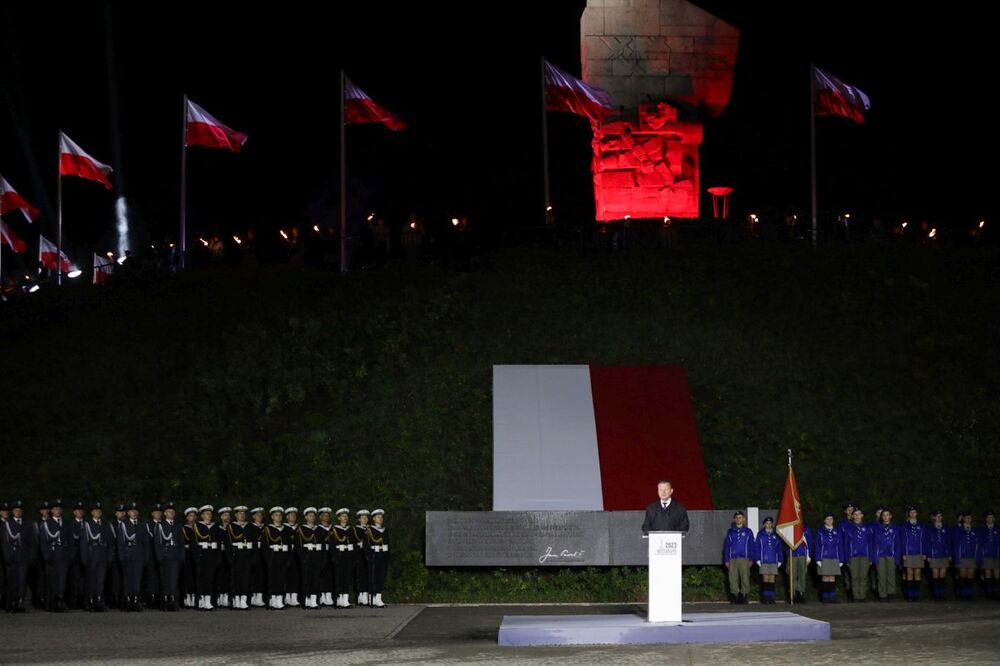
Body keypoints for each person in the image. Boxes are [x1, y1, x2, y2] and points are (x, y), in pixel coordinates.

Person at [2, 500, 35, 612]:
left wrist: (30, 557)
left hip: (23, 557)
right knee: (11, 581)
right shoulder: (7, 524)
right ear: (13, 512)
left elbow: (31, 542)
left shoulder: (28, 524)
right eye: (16, 510)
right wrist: (7, 556)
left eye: (20, 510)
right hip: (11, 557)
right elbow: (5, 543)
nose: (18, 512)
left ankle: (19, 603)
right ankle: (10, 603)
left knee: (22, 581)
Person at [39, 499, 72, 611]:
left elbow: (71, 542)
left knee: (62, 581)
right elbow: (43, 542)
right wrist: (47, 556)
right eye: (55, 509)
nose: (58, 510)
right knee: (51, 581)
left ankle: (60, 602)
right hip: (52, 556)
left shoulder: (66, 524)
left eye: (59, 508)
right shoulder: (47, 524)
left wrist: (69, 556)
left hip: (63, 557)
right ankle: (51, 604)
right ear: (51, 511)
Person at [80, 502, 114, 612]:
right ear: (91, 513)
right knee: (91, 581)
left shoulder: (106, 524)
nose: (98, 512)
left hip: (103, 556)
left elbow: (110, 543)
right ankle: (90, 602)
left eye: (99, 510)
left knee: (100, 581)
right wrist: (84, 558)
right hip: (92, 556)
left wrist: (110, 557)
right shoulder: (87, 524)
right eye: (95, 510)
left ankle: (99, 601)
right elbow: (84, 543)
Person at [116, 502, 150, 612]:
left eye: (136, 511)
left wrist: (146, 557)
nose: (134, 513)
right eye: (132, 511)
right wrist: (121, 557)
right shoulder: (123, 525)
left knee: (137, 580)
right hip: (128, 556)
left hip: (139, 556)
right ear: (128, 513)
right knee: (127, 580)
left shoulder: (142, 524)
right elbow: (120, 543)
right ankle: (127, 601)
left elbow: (146, 543)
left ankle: (135, 601)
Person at [153, 503, 184, 612]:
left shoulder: (178, 526)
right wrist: (159, 557)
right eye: (169, 511)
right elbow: (157, 543)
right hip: (165, 556)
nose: (171, 513)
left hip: (175, 556)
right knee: (165, 580)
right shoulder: (160, 525)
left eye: (173, 511)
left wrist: (181, 557)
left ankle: (173, 602)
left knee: (174, 580)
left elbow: (181, 543)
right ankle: (165, 602)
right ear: (165, 513)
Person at [192, 505, 223, 610]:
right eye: (206, 513)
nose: (208, 515)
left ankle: (208, 600)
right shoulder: (197, 526)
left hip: (212, 555)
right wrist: (196, 557)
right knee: (201, 579)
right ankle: (200, 601)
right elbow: (194, 544)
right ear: (202, 515)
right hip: (202, 555)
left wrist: (218, 557)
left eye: (210, 513)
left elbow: (218, 543)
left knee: (210, 579)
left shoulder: (215, 526)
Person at [842, 507, 875, 602]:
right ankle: (856, 596)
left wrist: (871, 557)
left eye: (859, 514)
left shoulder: (867, 528)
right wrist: (846, 558)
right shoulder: (848, 528)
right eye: (855, 514)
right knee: (854, 576)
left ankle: (862, 596)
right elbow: (846, 544)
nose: (857, 516)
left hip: (865, 555)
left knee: (863, 576)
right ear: (852, 516)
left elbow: (871, 543)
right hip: (853, 556)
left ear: (862, 515)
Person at [225, 505, 254, 610]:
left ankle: (244, 600)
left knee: (246, 579)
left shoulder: (250, 526)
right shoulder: (231, 526)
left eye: (243, 513)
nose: (242, 515)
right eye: (240, 513)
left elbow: (254, 543)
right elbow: (228, 544)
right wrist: (229, 558)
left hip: (247, 555)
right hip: (236, 555)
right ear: (236, 515)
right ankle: (236, 600)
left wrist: (253, 557)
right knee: (235, 579)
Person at [812, 512, 844, 603]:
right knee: (825, 577)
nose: (830, 521)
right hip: (824, 557)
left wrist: (841, 559)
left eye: (831, 519)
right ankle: (825, 597)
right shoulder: (820, 532)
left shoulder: (837, 531)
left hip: (834, 557)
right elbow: (817, 546)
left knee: (832, 577)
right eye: (828, 519)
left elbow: (840, 546)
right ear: (824, 521)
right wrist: (818, 559)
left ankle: (832, 597)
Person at [723, 511, 753, 604]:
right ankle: (735, 596)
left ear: (743, 519)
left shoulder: (748, 531)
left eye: (740, 517)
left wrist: (752, 558)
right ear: (734, 519)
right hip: (733, 559)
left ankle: (744, 596)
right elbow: (727, 546)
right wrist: (727, 559)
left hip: (744, 558)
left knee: (745, 578)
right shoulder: (730, 531)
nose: (738, 519)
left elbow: (752, 545)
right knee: (733, 578)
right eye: (736, 517)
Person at [296, 507, 324, 609]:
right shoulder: (301, 529)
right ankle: (305, 601)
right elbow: (298, 546)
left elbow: (323, 546)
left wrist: (322, 559)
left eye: (313, 515)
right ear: (306, 517)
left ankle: (313, 601)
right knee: (306, 580)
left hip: (316, 558)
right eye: (310, 515)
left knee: (315, 580)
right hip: (306, 558)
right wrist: (303, 558)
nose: (312, 517)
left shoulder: (319, 529)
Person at [263, 507, 290, 609]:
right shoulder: (267, 529)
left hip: (283, 556)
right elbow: (265, 546)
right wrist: (268, 559)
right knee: (272, 579)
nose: (278, 517)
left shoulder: (286, 529)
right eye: (276, 515)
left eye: (280, 515)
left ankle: (279, 600)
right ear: (272, 517)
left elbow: (289, 546)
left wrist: (288, 559)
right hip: (273, 557)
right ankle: (272, 600)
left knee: (281, 579)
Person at [872, 508, 901, 602]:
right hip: (880, 554)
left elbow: (898, 543)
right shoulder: (877, 528)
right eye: (883, 515)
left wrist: (897, 557)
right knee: (881, 575)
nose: (885, 517)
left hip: (891, 554)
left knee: (891, 575)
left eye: (887, 514)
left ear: (890, 516)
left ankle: (891, 593)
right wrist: (874, 557)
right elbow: (874, 543)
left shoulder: (896, 528)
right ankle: (882, 595)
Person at [923, 509, 952, 600]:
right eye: (937, 516)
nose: (939, 517)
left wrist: (950, 554)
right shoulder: (929, 528)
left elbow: (949, 542)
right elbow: (926, 542)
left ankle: (942, 594)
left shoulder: (946, 528)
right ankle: (936, 594)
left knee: (942, 574)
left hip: (944, 554)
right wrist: (927, 554)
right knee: (935, 574)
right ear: (934, 517)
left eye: (940, 516)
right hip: (933, 554)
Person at [899, 506, 926, 601]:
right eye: (911, 512)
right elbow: (902, 540)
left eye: (914, 512)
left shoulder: (921, 525)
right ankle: (910, 595)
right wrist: (903, 553)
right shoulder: (904, 526)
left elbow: (924, 540)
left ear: (916, 513)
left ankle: (916, 595)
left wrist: (924, 552)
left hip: (919, 551)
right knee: (909, 573)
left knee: (917, 572)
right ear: (909, 514)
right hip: (908, 552)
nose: (913, 514)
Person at [754, 516, 782, 604]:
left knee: (772, 578)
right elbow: (757, 547)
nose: (769, 525)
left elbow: (779, 548)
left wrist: (780, 559)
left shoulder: (776, 534)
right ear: (764, 524)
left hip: (773, 560)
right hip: (764, 560)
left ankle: (771, 597)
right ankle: (765, 597)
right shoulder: (760, 534)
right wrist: (758, 559)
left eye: (770, 524)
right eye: (767, 523)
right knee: (765, 577)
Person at [330, 508, 354, 607]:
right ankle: (338, 600)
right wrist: (334, 557)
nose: (345, 518)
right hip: (339, 556)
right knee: (338, 578)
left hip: (347, 556)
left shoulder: (350, 529)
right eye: (343, 516)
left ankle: (345, 600)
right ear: (339, 518)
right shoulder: (334, 529)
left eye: (346, 516)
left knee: (346, 578)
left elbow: (353, 543)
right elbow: (331, 545)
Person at [953, 511, 979, 600]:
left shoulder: (974, 530)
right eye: (967, 518)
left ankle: (969, 594)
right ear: (963, 519)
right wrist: (958, 524)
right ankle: (962, 594)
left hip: (972, 556)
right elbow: (955, 542)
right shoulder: (959, 530)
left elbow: (978, 544)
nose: (969, 519)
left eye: (970, 518)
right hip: (962, 556)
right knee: (963, 576)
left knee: (970, 576)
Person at [367, 509, 390, 608]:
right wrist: (370, 556)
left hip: (383, 555)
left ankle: (379, 597)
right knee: (373, 577)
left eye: (381, 517)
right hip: (374, 555)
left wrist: (388, 556)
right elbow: (366, 545)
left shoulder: (385, 530)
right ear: (374, 519)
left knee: (381, 577)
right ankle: (372, 596)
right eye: (378, 517)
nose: (380, 519)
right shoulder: (369, 530)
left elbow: (388, 544)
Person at [143, 502, 164, 609]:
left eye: (160, 512)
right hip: (151, 555)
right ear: (152, 514)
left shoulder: (165, 524)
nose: (158, 514)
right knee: (151, 578)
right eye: (156, 512)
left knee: (162, 577)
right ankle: (151, 599)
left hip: (163, 555)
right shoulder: (148, 524)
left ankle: (161, 599)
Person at [246, 507, 267, 607]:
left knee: (261, 576)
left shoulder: (265, 527)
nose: (259, 517)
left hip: (263, 553)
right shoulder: (250, 527)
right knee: (252, 576)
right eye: (257, 515)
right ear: (253, 516)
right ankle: (252, 597)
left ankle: (259, 597)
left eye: (261, 515)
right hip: (253, 553)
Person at [787, 523, 812, 603]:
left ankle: (801, 593)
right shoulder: (789, 527)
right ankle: (792, 594)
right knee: (792, 575)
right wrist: (788, 553)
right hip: (792, 554)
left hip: (802, 554)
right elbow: (784, 542)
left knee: (802, 574)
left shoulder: (806, 528)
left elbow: (810, 543)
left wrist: (808, 556)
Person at [352, 509, 371, 606]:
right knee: (360, 575)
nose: (365, 519)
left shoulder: (370, 529)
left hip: (368, 554)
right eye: (363, 518)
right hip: (359, 554)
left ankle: (366, 595)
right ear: (359, 519)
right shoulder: (355, 529)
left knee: (368, 575)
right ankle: (360, 595)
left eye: (366, 517)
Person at [283, 507, 301, 607]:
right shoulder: (283, 528)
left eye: (294, 515)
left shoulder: (299, 528)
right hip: (285, 555)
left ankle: (294, 598)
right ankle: (286, 597)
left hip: (297, 555)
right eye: (291, 515)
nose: (293, 517)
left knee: (295, 576)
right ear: (287, 517)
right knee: (286, 576)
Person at [979, 511, 999, 600]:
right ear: (986, 519)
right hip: (986, 555)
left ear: (994, 518)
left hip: (996, 554)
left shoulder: (998, 528)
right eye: (988, 517)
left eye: (991, 517)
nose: (990, 519)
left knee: (997, 574)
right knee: (987, 574)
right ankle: (988, 593)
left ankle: (996, 592)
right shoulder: (982, 529)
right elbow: (980, 543)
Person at [316, 507, 334, 606]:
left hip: (331, 553)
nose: (326, 517)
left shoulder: (333, 528)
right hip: (321, 554)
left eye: (328, 515)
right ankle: (322, 596)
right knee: (321, 575)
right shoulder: (317, 529)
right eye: (324, 515)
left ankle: (329, 596)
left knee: (330, 575)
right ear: (320, 517)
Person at [215, 506, 232, 609]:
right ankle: (219, 596)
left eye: (228, 515)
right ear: (221, 517)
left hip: (230, 554)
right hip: (220, 553)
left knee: (228, 575)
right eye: (225, 515)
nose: (227, 517)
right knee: (219, 575)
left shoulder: (233, 527)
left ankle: (226, 597)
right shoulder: (217, 527)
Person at [181, 507, 198, 608]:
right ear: (187, 517)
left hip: (196, 553)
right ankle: (187, 597)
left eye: (194, 515)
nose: (193, 517)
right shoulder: (184, 528)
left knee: (196, 574)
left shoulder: (198, 527)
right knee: (188, 575)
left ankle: (195, 596)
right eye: (191, 515)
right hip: (187, 553)